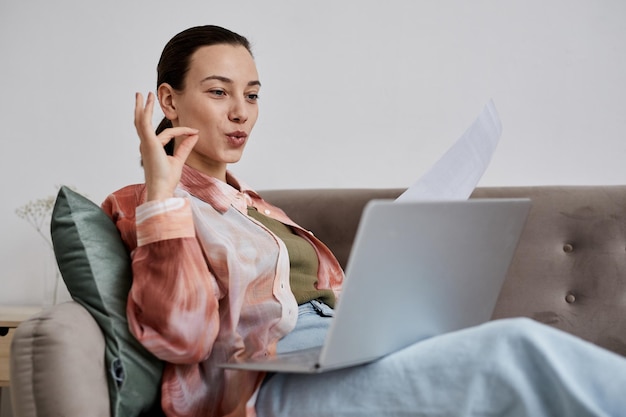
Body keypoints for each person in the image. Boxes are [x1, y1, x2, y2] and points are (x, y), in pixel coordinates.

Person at [102, 25, 626, 417]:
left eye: (253, 94)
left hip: (339, 354)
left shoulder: (259, 209)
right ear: (169, 101)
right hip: (265, 389)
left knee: (506, 360)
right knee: (514, 350)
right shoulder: (142, 204)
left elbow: (334, 300)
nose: (241, 111)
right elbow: (181, 338)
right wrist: (163, 195)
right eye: (219, 92)